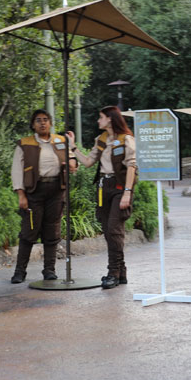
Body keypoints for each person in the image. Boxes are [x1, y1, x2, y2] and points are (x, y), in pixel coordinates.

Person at [66, 105, 136, 289]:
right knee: (108, 230)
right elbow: (88, 162)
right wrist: (72, 147)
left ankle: (112, 273)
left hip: (120, 187)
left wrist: (127, 193)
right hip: (103, 187)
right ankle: (121, 272)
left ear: (110, 119)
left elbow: (132, 166)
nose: (98, 120)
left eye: (101, 117)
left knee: (114, 229)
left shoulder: (126, 139)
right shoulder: (102, 139)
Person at [10, 110, 76, 284]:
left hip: (56, 190)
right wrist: (21, 194)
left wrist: (72, 151)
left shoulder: (60, 141)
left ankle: (49, 270)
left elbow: (73, 165)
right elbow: (17, 170)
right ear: (33, 124)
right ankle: (19, 272)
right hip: (34, 191)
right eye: (38, 120)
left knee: (52, 230)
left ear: (51, 123)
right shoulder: (24, 143)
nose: (42, 123)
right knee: (28, 231)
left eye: (46, 120)